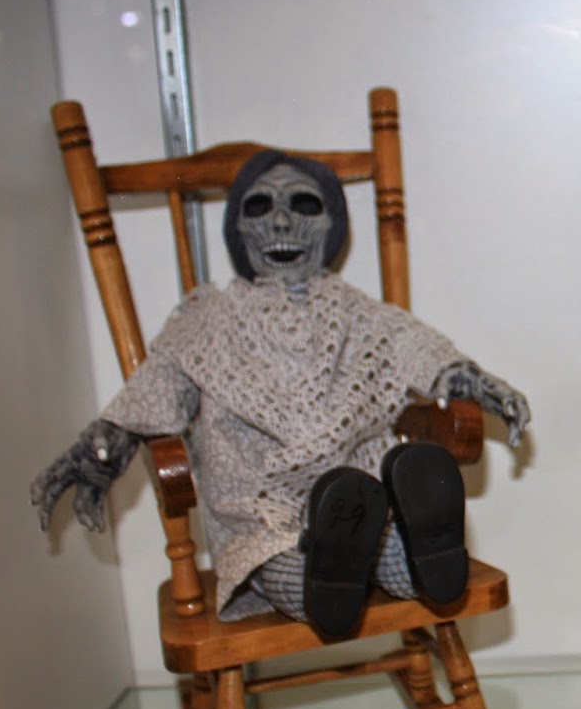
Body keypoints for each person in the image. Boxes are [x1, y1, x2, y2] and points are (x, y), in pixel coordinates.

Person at [31, 150, 530, 640]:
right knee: (274, 559)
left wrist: (469, 379)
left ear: (332, 225)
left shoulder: (357, 312)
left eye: (303, 205)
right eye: (260, 207)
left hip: (361, 498)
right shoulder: (207, 322)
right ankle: (335, 570)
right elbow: (159, 383)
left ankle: (421, 552)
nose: (282, 223)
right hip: (261, 511)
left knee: (378, 535)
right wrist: (108, 442)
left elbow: (417, 349)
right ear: (238, 229)